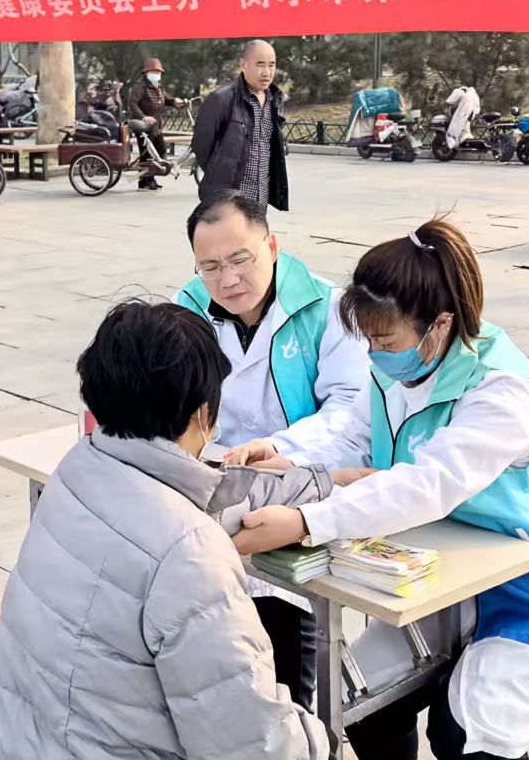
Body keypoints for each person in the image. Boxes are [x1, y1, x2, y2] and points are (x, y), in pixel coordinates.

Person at [233, 218, 529, 760]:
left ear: (440, 323)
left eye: (385, 341)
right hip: (442, 583)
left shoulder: (503, 393)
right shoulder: (399, 368)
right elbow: (355, 436)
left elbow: (427, 485)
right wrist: (289, 459)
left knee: (464, 733)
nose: (375, 354)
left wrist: (305, 521)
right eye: (368, 341)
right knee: (357, 702)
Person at [0, 299, 330, 760]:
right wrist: (317, 738)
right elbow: (255, 745)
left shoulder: (77, 468)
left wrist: (323, 483)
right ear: (204, 414)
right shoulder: (189, 552)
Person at [173, 190, 369, 710]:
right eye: (210, 267)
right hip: (211, 494)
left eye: (240, 259)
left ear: (272, 246)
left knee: (287, 652)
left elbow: (352, 409)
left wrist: (282, 446)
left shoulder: (328, 308)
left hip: (295, 489)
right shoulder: (185, 310)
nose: (227, 279)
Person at [192, 39, 288, 210]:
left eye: (271, 65)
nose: (266, 72)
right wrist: (221, 176)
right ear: (243, 65)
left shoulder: (275, 100)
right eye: (260, 65)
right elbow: (201, 147)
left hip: (261, 196)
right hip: (229, 199)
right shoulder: (221, 99)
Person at [126, 56, 181, 191]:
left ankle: (151, 178)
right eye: (153, 72)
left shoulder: (158, 85)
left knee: (160, 150)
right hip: (144, 126)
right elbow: (132, 103)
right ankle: (144, 182)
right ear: (146, 73)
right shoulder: (141, 86)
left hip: (157, 125)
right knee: (147, 154)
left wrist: (175, 101)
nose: (156, 74)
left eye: (158, 72)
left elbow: (165, 99)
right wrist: (144, 117)